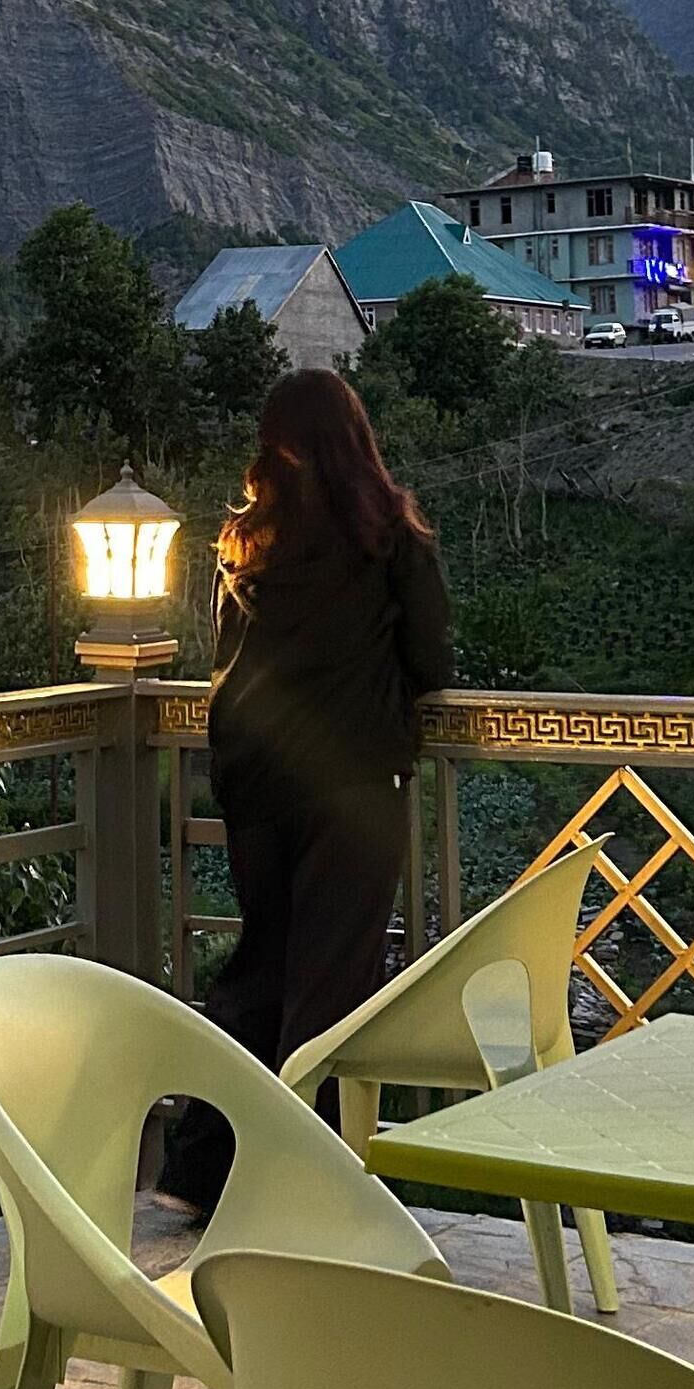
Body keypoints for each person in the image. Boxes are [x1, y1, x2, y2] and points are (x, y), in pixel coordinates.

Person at [156, 369, 454, 1214]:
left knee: (260, 968)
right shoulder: (389, 535)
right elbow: (432, 662)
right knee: (330, 985)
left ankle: (194, 1172)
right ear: (356, 440)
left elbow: (225, 658)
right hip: (355, 783)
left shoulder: (248, 541)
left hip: (255, 779)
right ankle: (298, 1184)